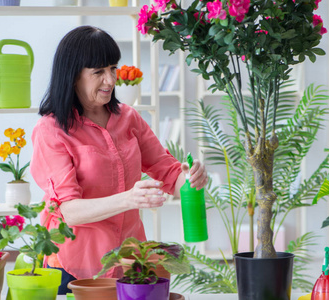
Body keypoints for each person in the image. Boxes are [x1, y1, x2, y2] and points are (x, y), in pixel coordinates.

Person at [30, 25, 208, 294]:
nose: (111, 80)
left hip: (130, 259)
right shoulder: (52, 130)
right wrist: (128, 199)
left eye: (113, 68)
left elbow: (168, 171)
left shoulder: (128, 118)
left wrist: (190, 178)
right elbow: (67, 211)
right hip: (77, 265)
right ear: (73, 76)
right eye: (98, 72)